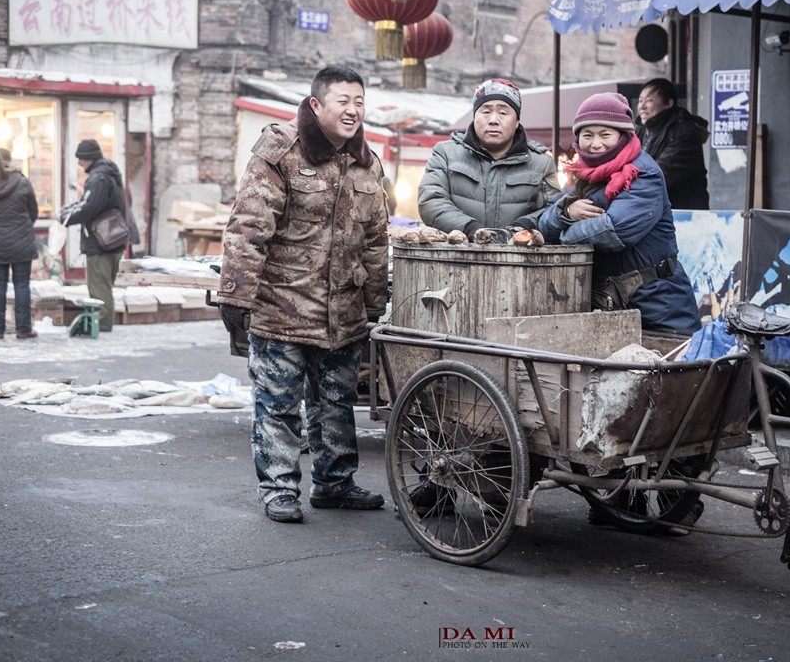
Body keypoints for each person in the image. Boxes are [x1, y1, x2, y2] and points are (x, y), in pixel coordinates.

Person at [217, 65, 389, 525]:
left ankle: (335, 483)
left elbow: (375, 239)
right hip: (283, 305)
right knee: (278, 403)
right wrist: (235, 295)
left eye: (359, 102)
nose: (353, 110)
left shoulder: (367, 163)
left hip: (343, 312)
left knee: (335, 403)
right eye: (342, 101)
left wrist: (375, 303)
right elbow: (248, 227)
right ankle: (279, 488)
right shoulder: (281, 152)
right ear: (316, 105)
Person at [539, 92, 700, 336]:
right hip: (608, 307)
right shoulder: (585, 176)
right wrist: (566, 211)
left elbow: (613, 231)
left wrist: (562, 237)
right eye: (587, 135)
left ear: (623, 136)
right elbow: (544, 220)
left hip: (658, 308)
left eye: (605, 135)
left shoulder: (644, 174)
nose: (595, 144)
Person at [418, 78, 558, 237]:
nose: (493, 120)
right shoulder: (445, 154)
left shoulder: (542, 163)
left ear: (517, 121)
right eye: (485, 111)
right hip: (456, 256)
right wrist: (470, 229)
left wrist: (522, 228)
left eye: (503, 113)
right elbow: (431, 201)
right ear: (474, 116)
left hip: (519, 258)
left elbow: (553, 210)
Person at [59, 139, 128, 333]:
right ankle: (104, 322)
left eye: (80, 159)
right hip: (113, 238)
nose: (79, 164)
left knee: (99, 286)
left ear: (88, 159)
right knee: (104, 284)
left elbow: (90, 207)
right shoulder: (109, 173)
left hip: (100, 241)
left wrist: (66, 218)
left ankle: (102, 323)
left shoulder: (98, 178)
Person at [0, 148, 39, 340]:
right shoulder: (23, 183)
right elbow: (33, 213)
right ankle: (24, 329)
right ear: (11, 161)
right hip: (22, 243)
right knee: (21, 284)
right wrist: (21, 227)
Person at [635, 77, 710, 209]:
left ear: (668, 104)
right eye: (640, 101)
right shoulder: (640, 131)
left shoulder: (684, 133)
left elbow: (659, 175)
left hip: (683, 215)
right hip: (652, 211)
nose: (642, 106)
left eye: (649, 100)